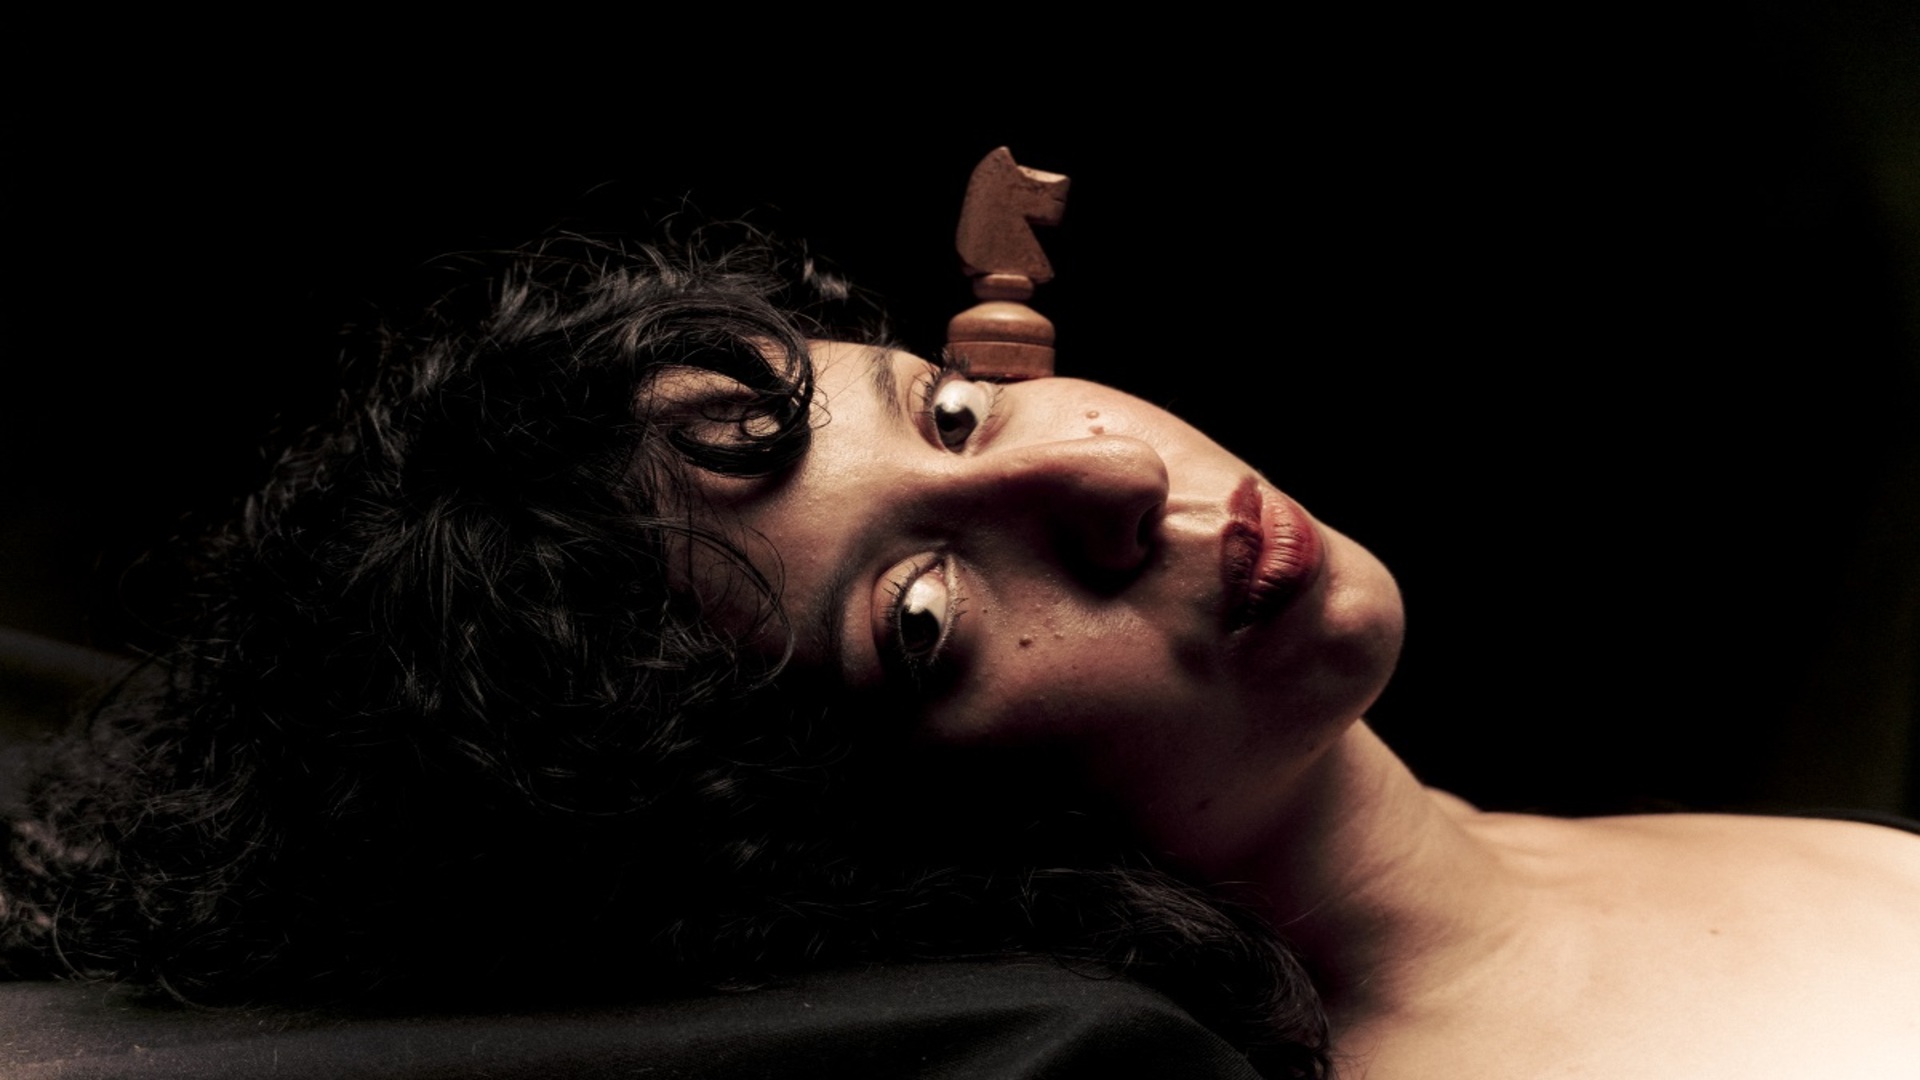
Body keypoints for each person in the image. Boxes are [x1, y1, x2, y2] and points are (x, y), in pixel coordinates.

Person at [2, 221, 1916, 1080]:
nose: (1102, 469)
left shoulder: (1595, 854)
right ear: (870, 863)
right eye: (919, 617)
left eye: (945, 411)